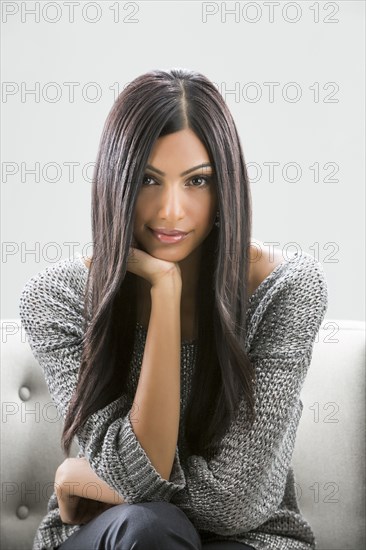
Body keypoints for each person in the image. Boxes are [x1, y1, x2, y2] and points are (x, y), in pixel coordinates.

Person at [18, 68, 328, 550]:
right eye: (148, 179)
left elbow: (234, 505)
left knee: (157, 523)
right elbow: (137, 488)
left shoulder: (286, 289)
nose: (171, 210)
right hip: (112, 535)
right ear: (115, 183)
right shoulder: (58, 299)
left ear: (225, 187)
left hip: (250, 539)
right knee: (149, 527)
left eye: (197, 181)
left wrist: (82, 477)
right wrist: (164, 294)